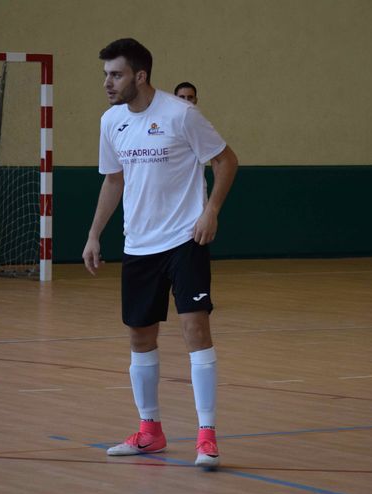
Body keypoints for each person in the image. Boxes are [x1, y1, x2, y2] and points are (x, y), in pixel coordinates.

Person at [83, 38, 238, 468]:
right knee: (140, 337)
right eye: (106, 75)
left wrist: (210, 211)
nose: (108, 83)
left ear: (140, 76)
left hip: (186, 239)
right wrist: (94, 234)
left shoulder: (180, 114)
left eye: (116, 75)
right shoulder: (111, 121)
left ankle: (206, 436)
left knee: (195, 330)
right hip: (138, 245)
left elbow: (226, 161)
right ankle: (149, 432)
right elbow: (113, 180)